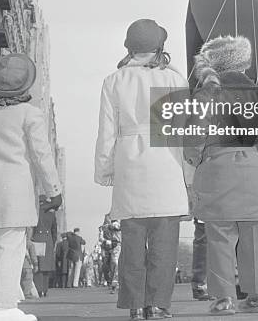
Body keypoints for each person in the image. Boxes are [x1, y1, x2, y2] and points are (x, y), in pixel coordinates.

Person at [95, 19, 188, 320]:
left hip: (129, 163)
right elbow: (185, 131)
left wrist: (104, 170)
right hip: (167, 161)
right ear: (159, 47)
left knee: (132, 241)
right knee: (164, 241)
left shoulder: (114, 80)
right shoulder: (174, 80)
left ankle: (135, 305)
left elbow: (106, 132)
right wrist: (190, 176)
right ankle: (158, 304)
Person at [0, 53, 62, 321]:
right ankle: (5, 309)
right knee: (9, 249)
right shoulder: (30, 115)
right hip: (14, 196)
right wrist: (53, 190)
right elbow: (42, 156)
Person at [184, 35, 258, 315]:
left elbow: (193, 136)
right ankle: (257, 295)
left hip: (218, 166)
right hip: (253, 165)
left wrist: (196, 159)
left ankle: (224, 298)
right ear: (243, 64)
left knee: (220, 235)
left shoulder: (207, 93)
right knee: (255, 234)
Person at [32, 195, 58, 297]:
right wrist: (52, 242)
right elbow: (54, 230)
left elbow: (32, 227)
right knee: (46, 268)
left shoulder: (36, 212)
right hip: (48, 240)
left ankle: (39, 289)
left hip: (37, 238)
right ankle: (45, 289)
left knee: (38, 267)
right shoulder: (51, 214)